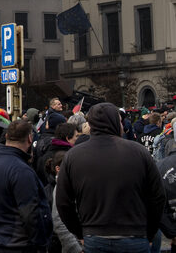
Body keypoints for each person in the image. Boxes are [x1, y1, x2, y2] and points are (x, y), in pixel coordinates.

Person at [57, 102, 166, 252]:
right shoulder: (139, 152)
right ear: (116, 123)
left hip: (94, 236)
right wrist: (150, 232)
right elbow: (158, 197)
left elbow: (63, 202)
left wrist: (80, 232)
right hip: (134, 235)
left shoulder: (73, 156)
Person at [0, 118, 52, 252]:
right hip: (19, 245)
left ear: (7, 136)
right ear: (30, 138)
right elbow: (30, 214)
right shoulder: (21, 170)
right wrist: (41, 244)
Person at [44, 151, 81, 253]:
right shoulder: (56, 189)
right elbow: (57, 221)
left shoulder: (73, 184)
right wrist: (76, 247)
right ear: (58, 169)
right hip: (61, 244)